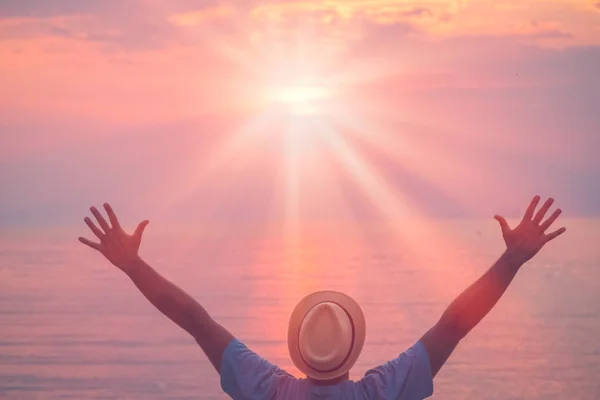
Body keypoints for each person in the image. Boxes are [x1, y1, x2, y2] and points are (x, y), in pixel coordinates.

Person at [79, 196, 566, 399]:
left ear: (301, 347)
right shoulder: (379, 393)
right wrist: (510, 262)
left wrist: (134, 267)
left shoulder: (270, 390)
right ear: (351, 348)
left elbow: (194, 319)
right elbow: (454, 325)